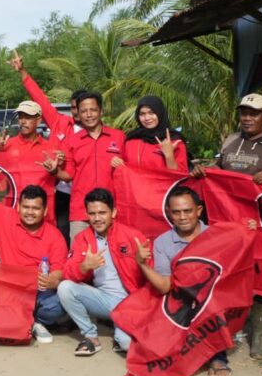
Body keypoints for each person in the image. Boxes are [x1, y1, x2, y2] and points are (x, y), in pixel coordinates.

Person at [192, 92, 262, 359]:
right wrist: (203, 171)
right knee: (232, 276)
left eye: (254, 113)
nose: (247, 118)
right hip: (230, 225)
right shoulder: (231, 140)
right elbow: (218, 170)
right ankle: (233, 328)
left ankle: (260, 335)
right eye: (244, 112)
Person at [134, 186, 231, 376]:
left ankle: (218, 357)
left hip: (214, 299)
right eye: (176, 212)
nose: (183, 217)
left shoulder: (218, 235)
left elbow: (230, 277)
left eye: (187, 210)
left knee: (214, 299)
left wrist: (247, 229)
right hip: (180, 300)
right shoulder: (162, 242)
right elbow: (164, 286)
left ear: (199, 211)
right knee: (144, 348)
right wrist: (142, 264)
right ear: (169, 213)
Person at [0, 169, 68, 344]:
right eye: (26, 207)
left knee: (61, 302)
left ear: (45, 211)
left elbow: (59, 271)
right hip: (7, 289)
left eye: (36, 208)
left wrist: (53, 280)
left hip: (38, 294)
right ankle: (23, 319)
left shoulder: (55, 236)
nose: (30, 212)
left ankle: (31, 320)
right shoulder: (4, 216)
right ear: (18, 207)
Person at [58, 188, 145, 355]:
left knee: (127, 344)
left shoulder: (132, 236)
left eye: (102, 213)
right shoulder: (82, 238)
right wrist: (85, 266)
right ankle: (91, 337)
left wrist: (143, 264)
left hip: (131, 302)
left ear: (113, 212)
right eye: (92, 214)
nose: (97, 218)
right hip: (103, 300)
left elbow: (149, 280)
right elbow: (67, 272)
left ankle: (121, 332)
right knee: (65, 287)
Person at [10, 50, 86, 238]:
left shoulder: (97, 135)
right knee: (59, 234)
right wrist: (23, 72)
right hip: (58, 191)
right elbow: (40, 100)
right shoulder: (59, 122)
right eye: (75, 107)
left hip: (83, 193)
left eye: (83, 108)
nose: (78, 112)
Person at [64, 90, 126, 241]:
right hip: (81, 212)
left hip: (112, 211)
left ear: (101, 111)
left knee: (114, 257)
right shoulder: (71, 140)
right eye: (84, 111)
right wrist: (54, 170)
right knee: (80, 259)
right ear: (78, 114)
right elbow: (68, 175)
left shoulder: (118, 137)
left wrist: (124, 166)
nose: (89, 114)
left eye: (93, 110)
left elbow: (131, 171)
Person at [112, 96, 188, 172]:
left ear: (160, 113)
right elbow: (124, 167)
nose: (147, 118)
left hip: (164, 184)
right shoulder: (131, 139)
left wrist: (169, 156)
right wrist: (117, 161)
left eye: (151, 113)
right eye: (142, 114)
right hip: (135, 184)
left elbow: (181, 177)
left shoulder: (174, 141)